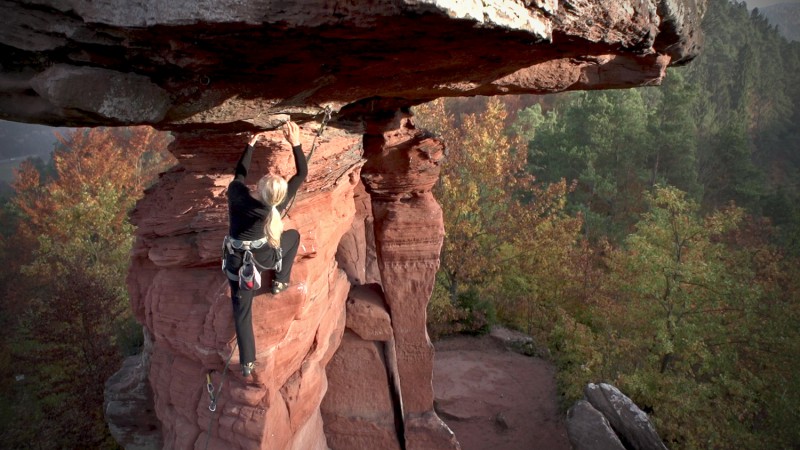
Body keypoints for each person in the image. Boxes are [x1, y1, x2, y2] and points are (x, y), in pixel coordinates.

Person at [224, 121, 306, 377]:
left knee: (242, 310)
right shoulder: (276, 208)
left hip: (239, 263)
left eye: (270, 177)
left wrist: (250, 143)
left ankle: (247, 363)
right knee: (292, 236)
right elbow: (301, 174)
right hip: (264, 258)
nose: (271, 171)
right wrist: (296, 142)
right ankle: (280, 281)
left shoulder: (238, 196)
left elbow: (239, 175)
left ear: (258, 190)